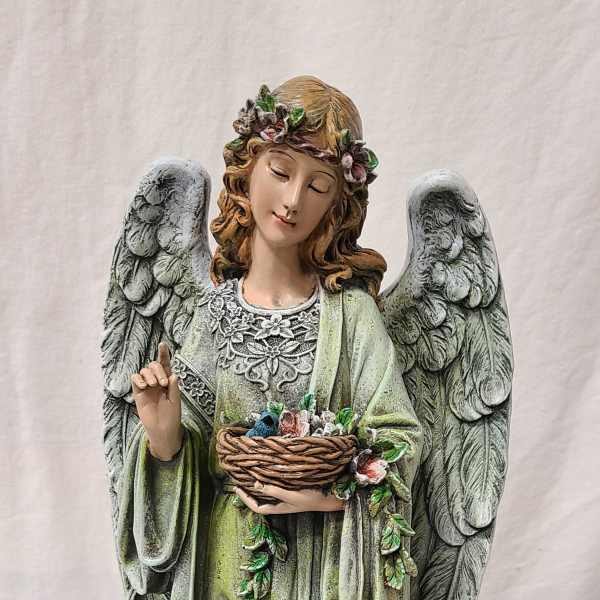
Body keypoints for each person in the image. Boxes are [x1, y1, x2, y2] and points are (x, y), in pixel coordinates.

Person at [115, 75, 424, 599]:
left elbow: (401, 439)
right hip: (231, 567)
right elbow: (191, 461)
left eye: (318, 186)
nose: (292, 199)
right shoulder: (214, 316)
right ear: (249, 168)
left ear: (337, 204)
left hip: (323, 565)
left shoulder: (351, 317)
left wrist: (324, 496)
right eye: (281, 171)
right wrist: (164, 436)